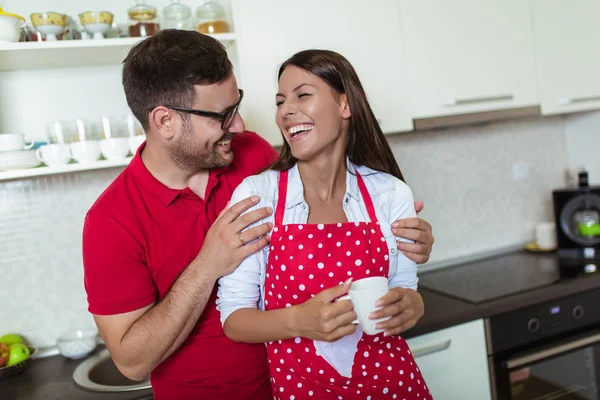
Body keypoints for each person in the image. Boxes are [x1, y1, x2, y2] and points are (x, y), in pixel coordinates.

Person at [82, 30, 433, 400]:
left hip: (299, 387)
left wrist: (403, 242)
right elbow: (132, 362)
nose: (239, 126)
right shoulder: (111, 222)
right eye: (222, 116)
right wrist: (207, 264)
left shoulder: (250, 156)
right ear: (165, 121)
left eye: (237, 106)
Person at [217, 49, 432, 399]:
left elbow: (406, 291)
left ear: (345, 106)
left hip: (396, 387)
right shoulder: (260, 196)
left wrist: (412, 305)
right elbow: (234, 319)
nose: (285, 110)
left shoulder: (390, 193)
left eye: (303, 95)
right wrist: (297, 321)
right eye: (280, 101)